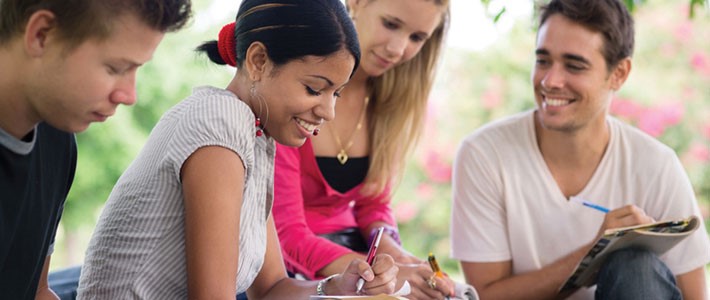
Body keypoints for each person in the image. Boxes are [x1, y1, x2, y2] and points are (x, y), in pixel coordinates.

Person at [76, 0, 399, 299]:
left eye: (336, 94)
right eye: (314, 89)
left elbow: (272, 287)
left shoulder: (257, 136)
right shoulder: (220, 123)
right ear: (258, 61)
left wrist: (336, 287)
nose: (328, 112)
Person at [450, 0, 710, 299]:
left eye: (574, 66)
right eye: (543, 60)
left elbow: (694, 295)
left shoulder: (656, 165)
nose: (550, 81)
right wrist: (594, 253)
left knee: (636, 265)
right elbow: (485, 295)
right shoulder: (485, 154)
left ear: (619, 73)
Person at [0, 0, 192, 298]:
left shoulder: (57, 142)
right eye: (115, 68)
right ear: (42, 34)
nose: (129, 95)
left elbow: (37, 291)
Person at [271, 0, 454, 299]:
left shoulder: (390, 102)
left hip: (354, 259)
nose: (398, 49)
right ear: (355, 3)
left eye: (416, 38)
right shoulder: (296, 83)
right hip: (288, 266)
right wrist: (378, 274)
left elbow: (373, 204)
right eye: (391, 24)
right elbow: (287, 233)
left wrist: (396, 254)